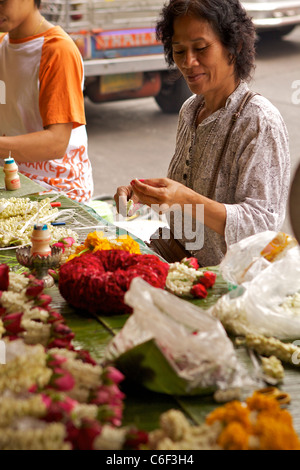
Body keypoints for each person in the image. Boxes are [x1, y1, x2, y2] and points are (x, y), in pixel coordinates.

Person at [114, 0, 290, 266]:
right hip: (181, 261)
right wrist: (148, 196)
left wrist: (183, 198)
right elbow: (187, 190)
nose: (188, 62)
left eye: (201, 48)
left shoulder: (259, 121)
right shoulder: (190, 110)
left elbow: (263, 225)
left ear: (234, 46)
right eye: (178, 50)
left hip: (230, 281)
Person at [0, 0, 93, 203]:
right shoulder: (3, 44)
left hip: (58, 191)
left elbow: (56, 143)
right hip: (13, 183)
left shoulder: (57, 50)